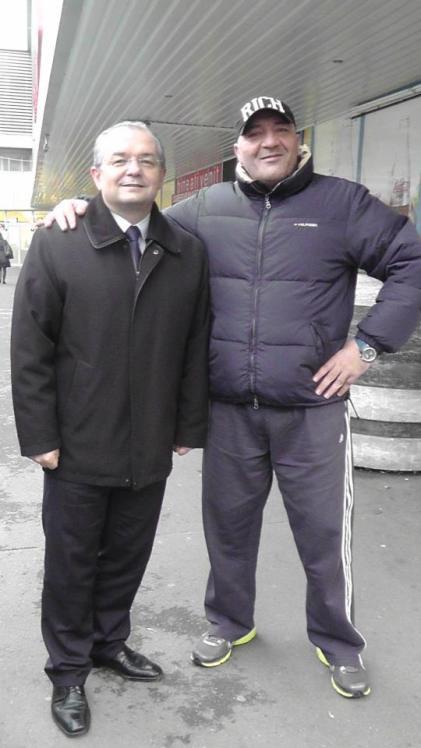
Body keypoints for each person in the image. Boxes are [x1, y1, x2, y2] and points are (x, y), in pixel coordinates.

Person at [42, 96, 421, 700]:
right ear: (237, 147)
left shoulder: (343, 205)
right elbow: (135, 215)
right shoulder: (205, 209)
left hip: (311, 409)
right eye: (254, 133)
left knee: (323, 536)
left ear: (299, 139)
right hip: (228, 411)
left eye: (281, 130)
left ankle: (338, 641)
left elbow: (412, 261)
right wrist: (77, 206)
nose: (269, 142)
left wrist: (367, 347)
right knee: (228, 528)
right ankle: (228, 622)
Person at [11, 121, 209, 738]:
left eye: (146, 160)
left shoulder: (186, 250)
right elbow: (30, 348)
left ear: (162, 176)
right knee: (72, 563)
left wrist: (187, 423)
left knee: (128, 553)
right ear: (96, 174)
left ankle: (107, 642)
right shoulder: (59, 242)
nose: (133, 169)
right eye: (120, 159)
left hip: (149, 440)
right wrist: (40, 436)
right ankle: (68, 670)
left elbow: (194, 344)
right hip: (76, 443)